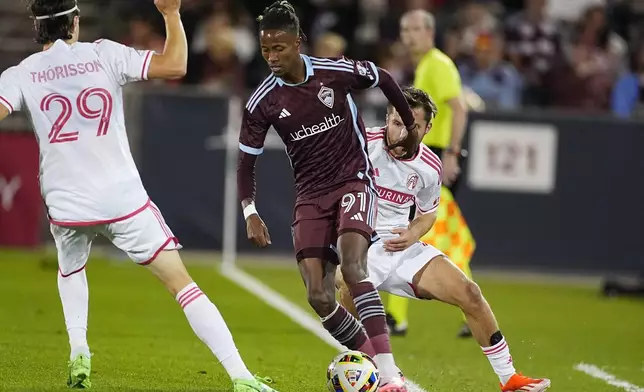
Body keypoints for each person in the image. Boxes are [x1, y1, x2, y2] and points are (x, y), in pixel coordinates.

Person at [0, 1, 276, 391]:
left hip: (66, 201)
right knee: (182, 284)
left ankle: (79, 349)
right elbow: (175, 66)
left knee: (71, 269)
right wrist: (171, 14)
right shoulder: (103, 54)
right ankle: (242, 377)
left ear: (36, 27)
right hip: (121, 197)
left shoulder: (22, 72)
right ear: (75, 22)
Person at [236, 1, 416, 390]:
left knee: (353, 269)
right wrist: (250, 210)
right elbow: (245, 163)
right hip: (310, 195)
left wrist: (411, 123)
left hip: (353, 181)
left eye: (279, 48)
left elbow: (383, 77)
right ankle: (373, 360)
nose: (271, 57)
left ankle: (388, 374)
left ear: (298, 42)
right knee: (317, 295)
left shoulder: (334, 72)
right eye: (265, 49)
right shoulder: (261, 102)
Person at [336, 86, 551, 392]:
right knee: (349, 286)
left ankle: (510, 378)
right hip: (358, 243)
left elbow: (426, 215)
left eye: (411, 127)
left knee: (470, 293)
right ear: (387, 118)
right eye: (396, 123)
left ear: (426, 129)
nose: (400, 134)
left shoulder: (429, 167)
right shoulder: (360, 144)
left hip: (400, 247)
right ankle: (381, 374)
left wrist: (412, 232)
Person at [387, 8, 476, 338]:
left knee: (438, 234)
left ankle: (468, 305)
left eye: (414, 29)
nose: (408, 35)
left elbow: (459, 107)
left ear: (429, 32)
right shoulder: (426, 65)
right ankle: (397, 315)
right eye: (404, 30)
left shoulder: (437, 64)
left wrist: (452, 153)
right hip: (426, 157)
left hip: (436, 159)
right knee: (421, 231)